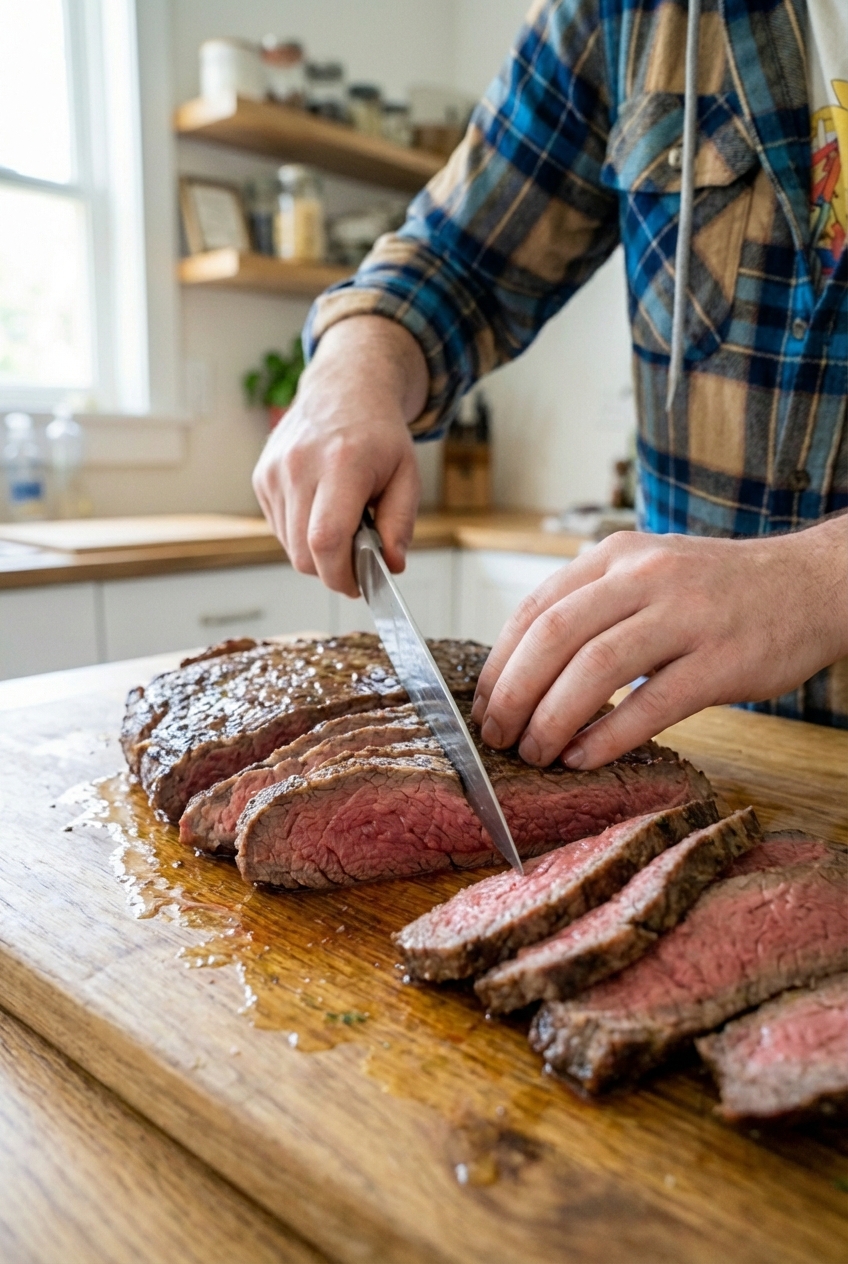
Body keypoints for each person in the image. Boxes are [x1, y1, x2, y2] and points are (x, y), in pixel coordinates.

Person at [253, 0, 848, 770]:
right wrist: (352, 371)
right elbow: (458, 262)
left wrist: (809, 581)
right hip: (690, 743)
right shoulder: (627, 16)